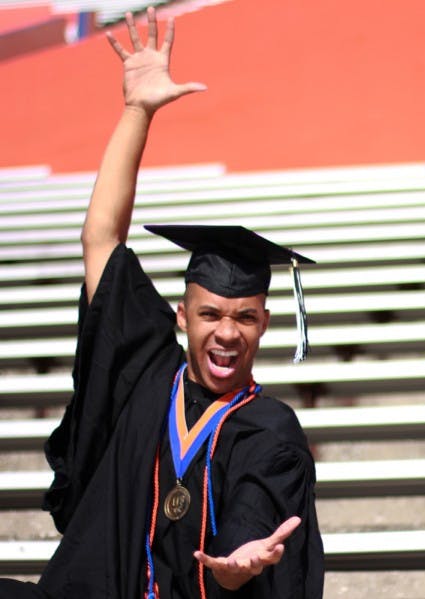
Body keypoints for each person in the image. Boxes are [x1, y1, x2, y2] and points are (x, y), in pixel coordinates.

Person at [0, 7, 323, 599]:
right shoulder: (145, 372)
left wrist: (238, 564)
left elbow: (257, 509)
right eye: (211, 314)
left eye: (245, 317)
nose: (227, 332)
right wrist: (136, 112)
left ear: (265, 324)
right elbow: (101, 238)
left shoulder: (268, 429)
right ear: (181, 315)